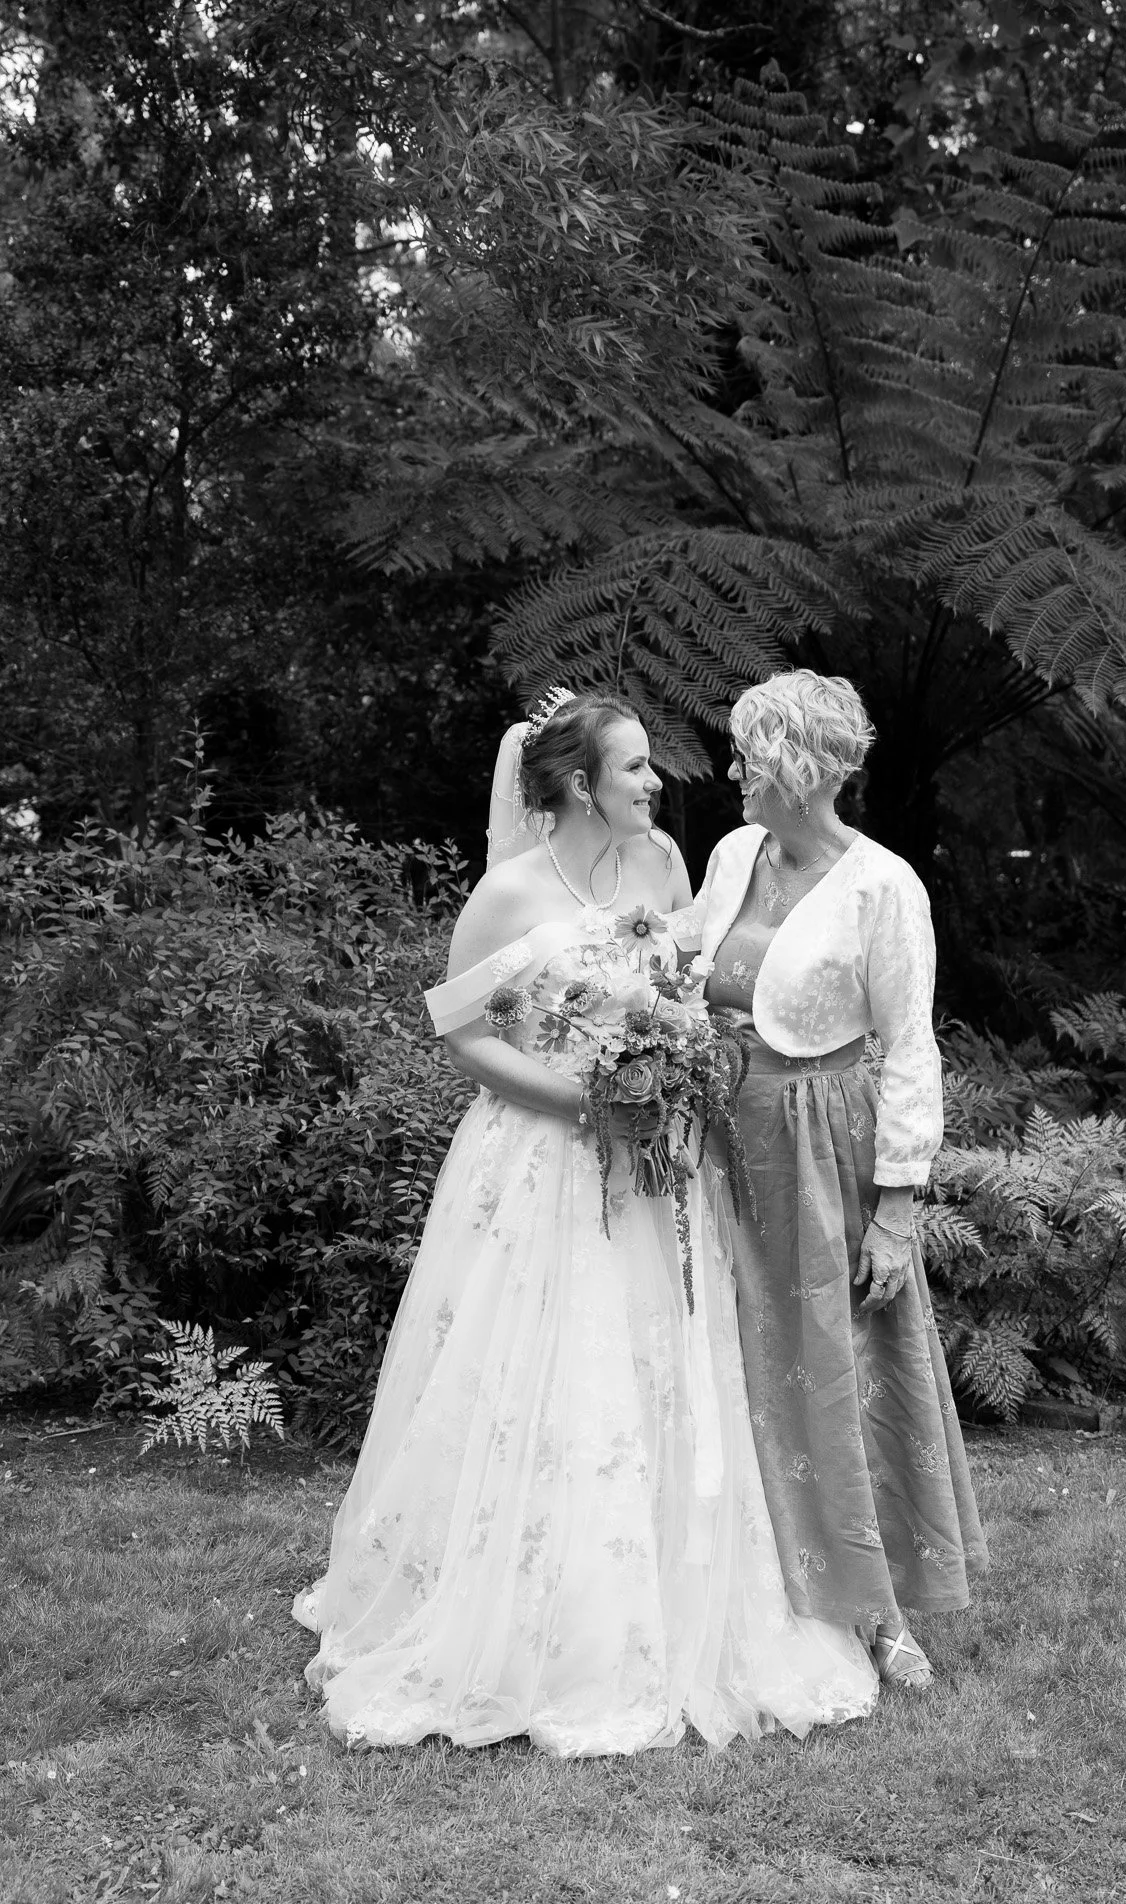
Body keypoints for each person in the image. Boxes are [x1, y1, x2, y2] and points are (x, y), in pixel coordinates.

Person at [293, 688, 878, 1755]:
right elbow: (459, 1032)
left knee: (663, 1368)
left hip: (657, 1167)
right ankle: (519, 1611)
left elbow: (689, 988)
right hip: (542, 1162)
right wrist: (583, 1101)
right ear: (576, 784)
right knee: (545, 1373)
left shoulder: (661, 867)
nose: (656, 783)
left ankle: (670, 1595)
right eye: (635, 767)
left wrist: (677, 1071)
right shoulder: (508, 894)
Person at [683, 670, 987, 1691]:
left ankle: (883, 1608)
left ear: (791, 767)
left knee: (839, 1360)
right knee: (734, 1358)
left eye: (744, 755)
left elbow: (910, 1047)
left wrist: (898, 1206)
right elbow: (685, 970)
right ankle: (757, 1591)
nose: (730, 770)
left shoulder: (883, 885)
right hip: (718, 1141)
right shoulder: (731, 855)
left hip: (825, 1149)